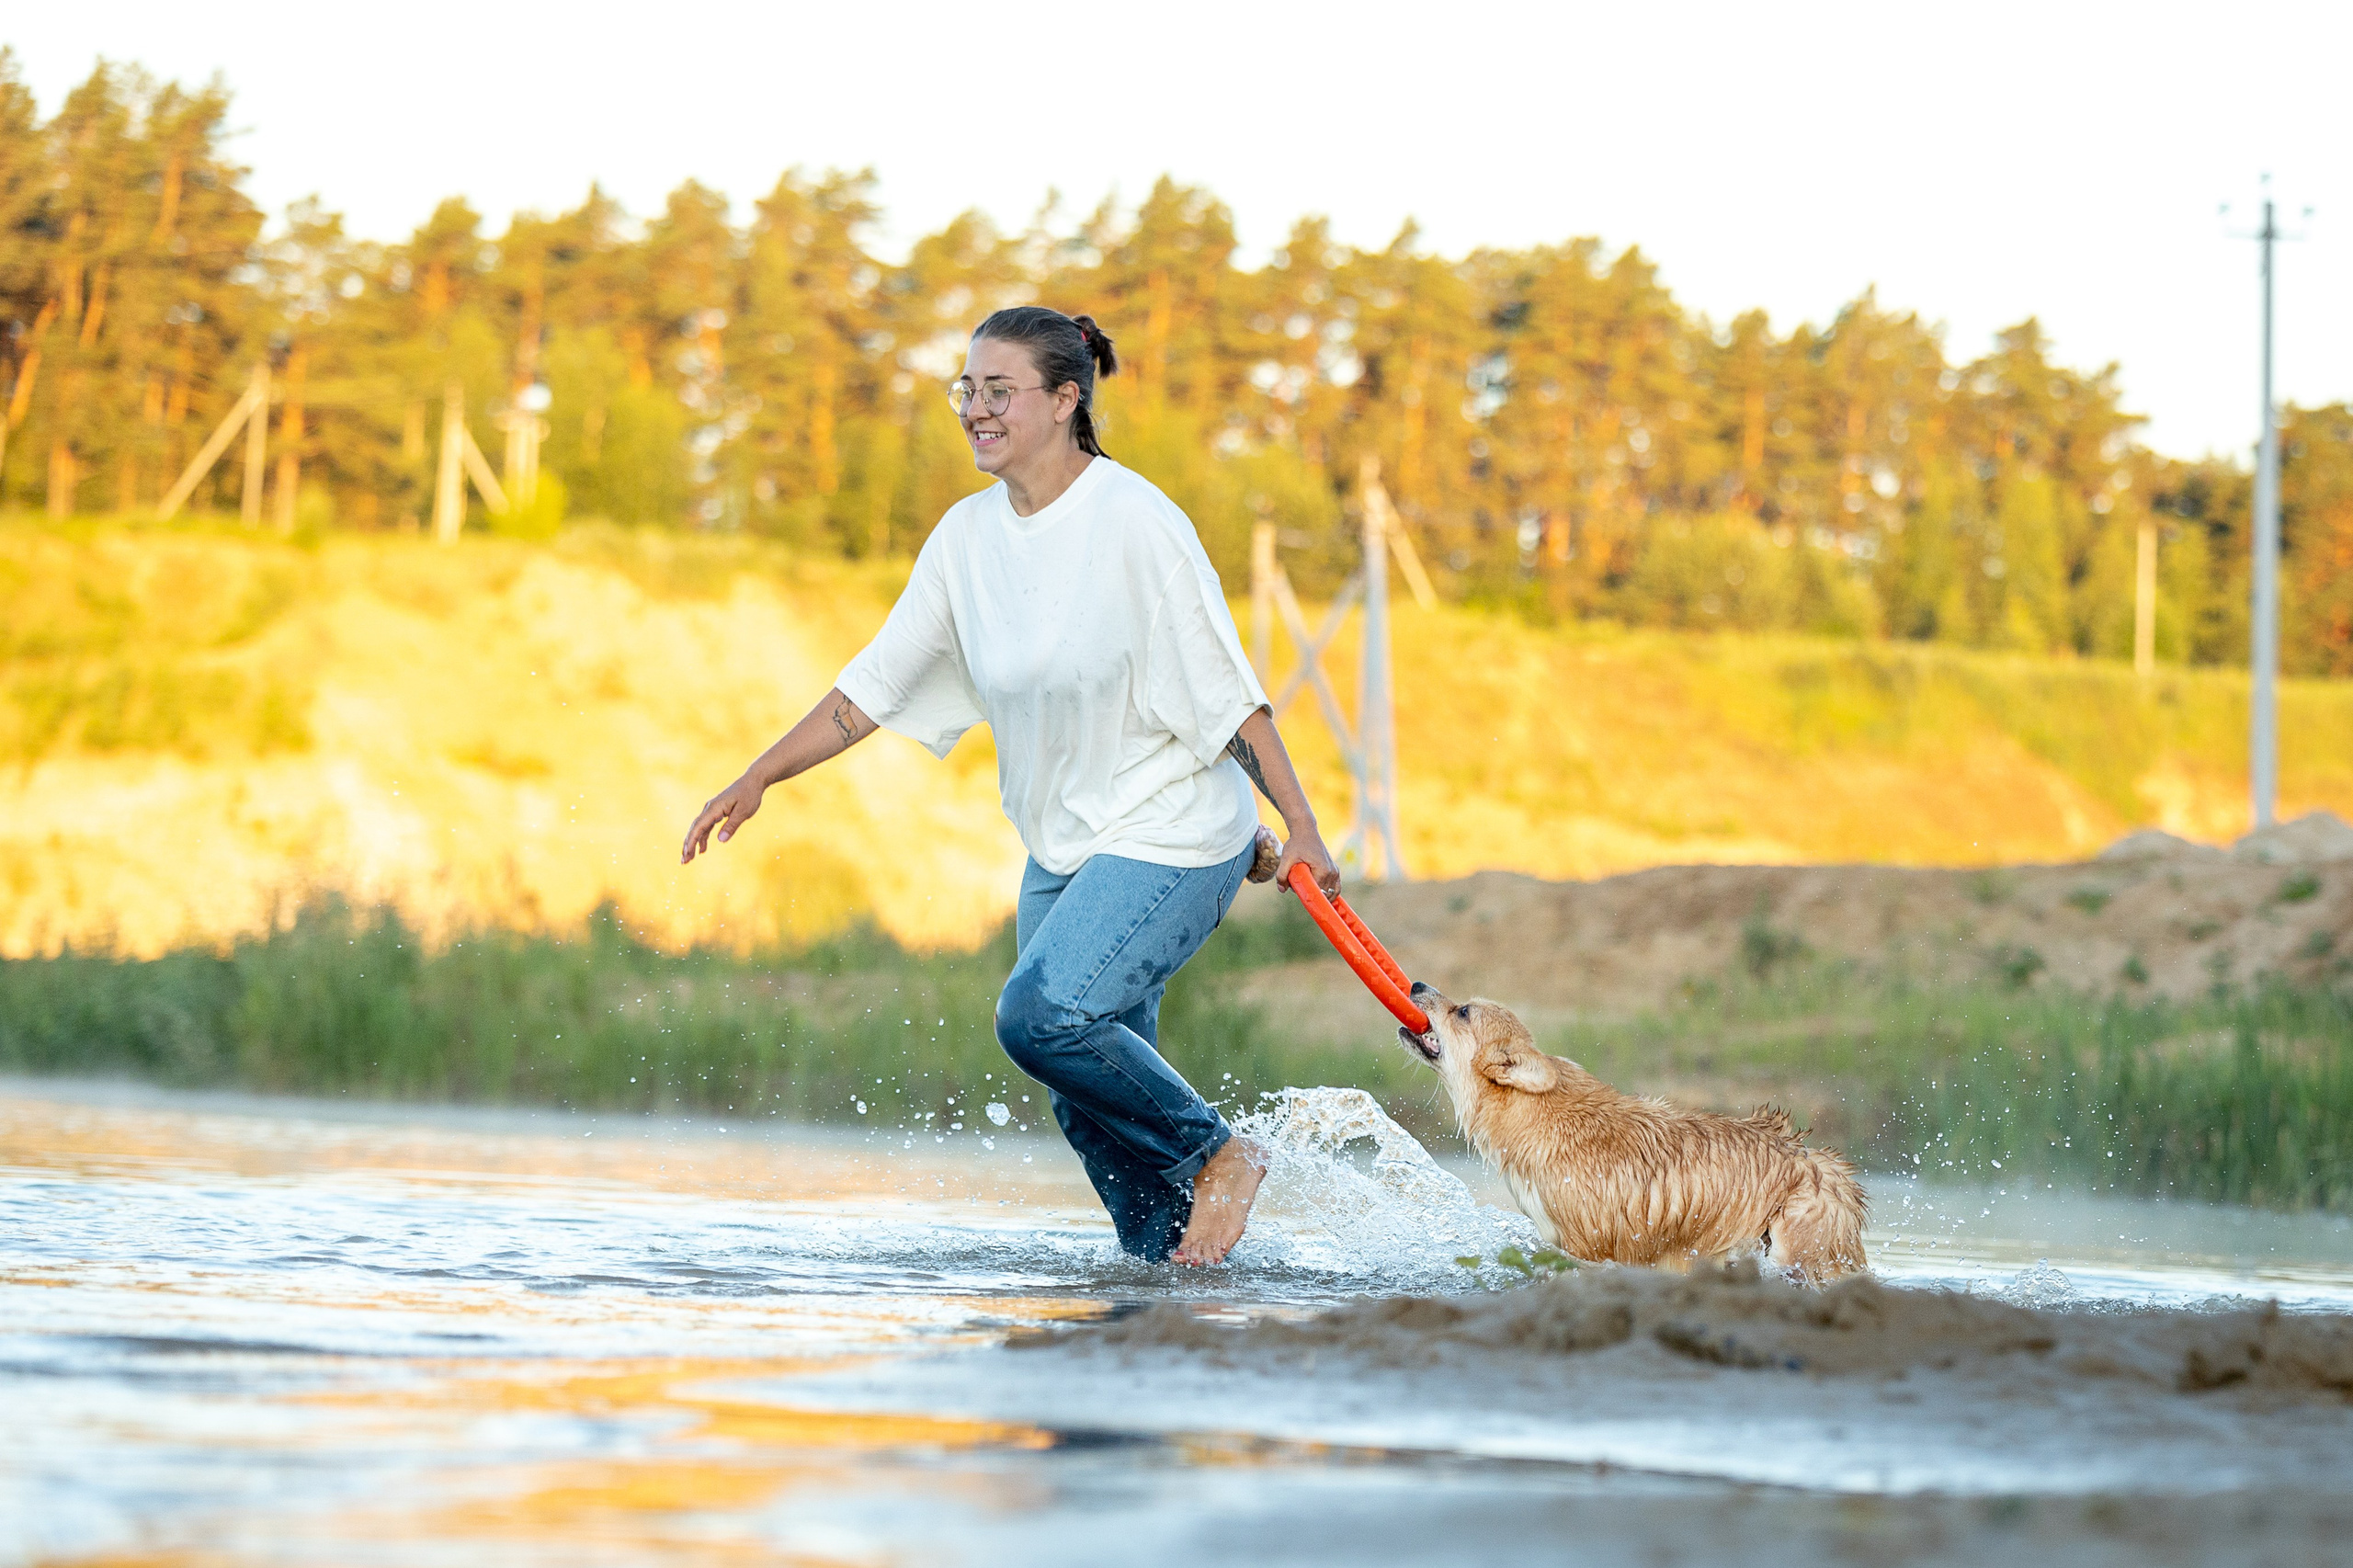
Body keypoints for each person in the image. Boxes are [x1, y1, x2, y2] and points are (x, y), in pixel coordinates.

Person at [681, 306, 1338, 1266]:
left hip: (1172, 828)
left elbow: (1227, 693)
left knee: (1043, 1016)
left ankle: (1220, 1152)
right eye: (966, 389)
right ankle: (1165, 1287)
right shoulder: (965, 539)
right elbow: (874, 684)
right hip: (1060, 844)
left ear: (1066, 398)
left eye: (999, 390)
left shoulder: (1136, 523)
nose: (975, 409)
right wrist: (758, 775)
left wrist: (1302, 824)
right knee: (1084, 1096)